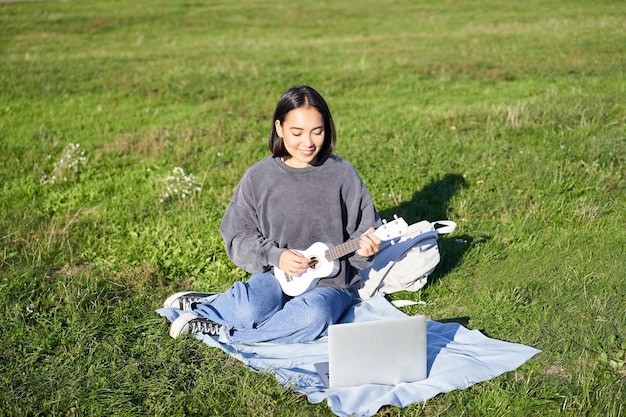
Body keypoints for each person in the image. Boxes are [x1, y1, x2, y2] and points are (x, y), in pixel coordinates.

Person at [164, 85, 382, 344]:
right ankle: (212, 306)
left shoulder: (342, 174)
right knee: (249, 308)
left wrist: (364, 252)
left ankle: (223, 329)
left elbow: (364, 232)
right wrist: (275, 256)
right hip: (276, 275)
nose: (308, 142)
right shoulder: (259, 177)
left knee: (314, 316)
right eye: (297, 132)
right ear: (279, 128)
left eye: (317, 131)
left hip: (331, 286)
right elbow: (237, 234)